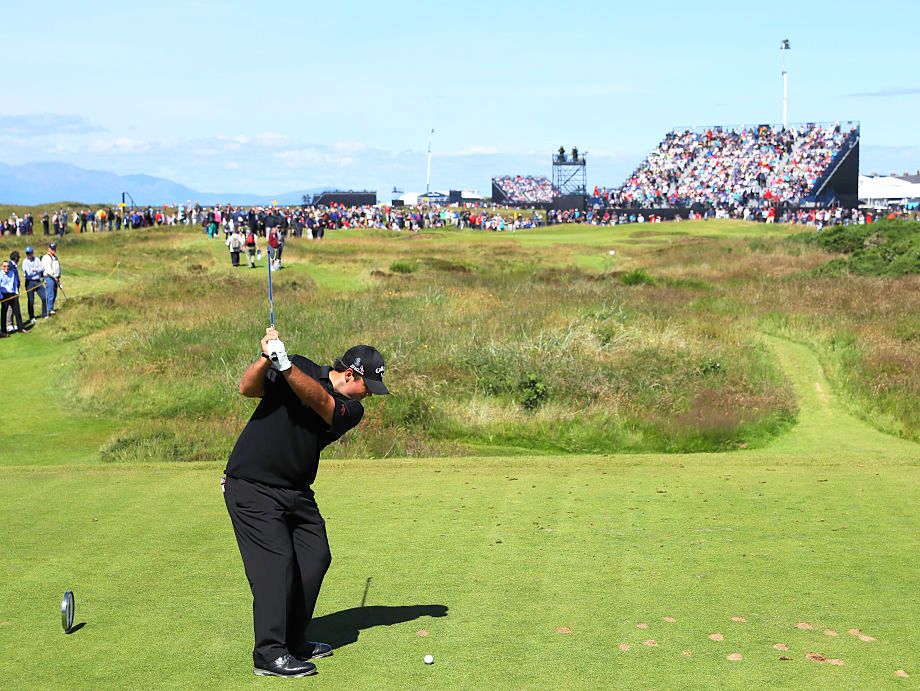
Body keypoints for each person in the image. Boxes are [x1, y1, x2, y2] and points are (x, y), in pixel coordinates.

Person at [223, 330, 390, 678]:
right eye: (368, 387)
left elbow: (320, 401)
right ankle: (269, 655)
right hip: (251, 485)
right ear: (350, 374)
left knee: (315, 557)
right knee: (276, 565)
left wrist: (284, 365)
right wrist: (268, 357)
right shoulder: (297, 365)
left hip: (296, 489)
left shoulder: (351, 409)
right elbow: (248, 388)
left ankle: (293, 641)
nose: (369, 397)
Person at [1, 257, 25, 335]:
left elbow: (15, 284)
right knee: (4, 312)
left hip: (12, 294)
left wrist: (16, 293)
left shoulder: (12, 273)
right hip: (3, 295)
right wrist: (0, 296)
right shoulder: (0, 274)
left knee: (17, 311)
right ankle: (4, 331)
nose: (6, 268)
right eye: (4, 266)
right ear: (2, 267)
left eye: (8, 266)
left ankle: (21, 328)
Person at [22, 246, 46, 322]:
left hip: (38, 281)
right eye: (27, 253)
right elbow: (28, 273)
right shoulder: (25, 262)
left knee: (44, 297)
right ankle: (31, 317)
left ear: (32, 252)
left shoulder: (37, 259)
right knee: (31, 300)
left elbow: (43, 268)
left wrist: (36, 270)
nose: (28, 255)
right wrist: (36, 271)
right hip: (29, 283)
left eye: (30, 253)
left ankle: (45, 314)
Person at [41, 242, 62, 316]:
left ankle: (51, 308)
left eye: (54, 248)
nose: (53, 250)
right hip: (49, 277)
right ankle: (49, 310)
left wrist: (59, 276)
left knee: (54, 294)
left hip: (56, 278)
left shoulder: (55, 257)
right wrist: (54, 277)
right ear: (49, 248)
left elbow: (58, 267)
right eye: (52, 248)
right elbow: (48, 269)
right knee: (50, 294)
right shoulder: (46, 257)